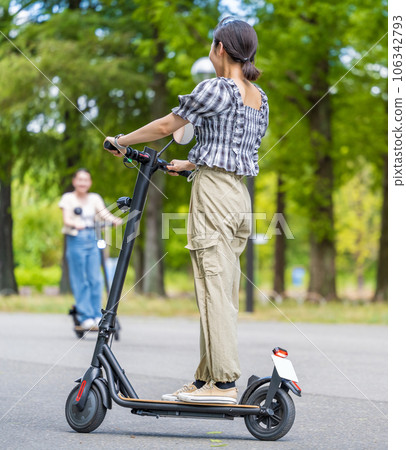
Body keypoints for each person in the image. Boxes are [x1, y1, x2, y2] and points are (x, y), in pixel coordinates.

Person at [104, 17, 269, 404]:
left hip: (213, 195)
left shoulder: (216, 87)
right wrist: (190, 164)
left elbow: (167, 124)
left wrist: (119, 140)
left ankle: (223, 384)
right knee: (220, 290)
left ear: (220, 49)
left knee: (212, 287)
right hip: (238, 197)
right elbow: (238, 151)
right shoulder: (259, 96)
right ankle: (204, 379)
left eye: (213, 47)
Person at [59, 168, 122, 330]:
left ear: (90, 182)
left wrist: (115, 220)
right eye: (79, 180)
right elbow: (66, 219)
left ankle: (96, 315)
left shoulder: (94, 198)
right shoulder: (68, 198)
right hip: (76, 239)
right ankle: (85, 316)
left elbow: (104, 214)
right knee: (80, 280)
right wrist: (75, 224)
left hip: (94, 238)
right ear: (74, 181)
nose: (82, 183)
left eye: (86, 180)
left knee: (96, 279)